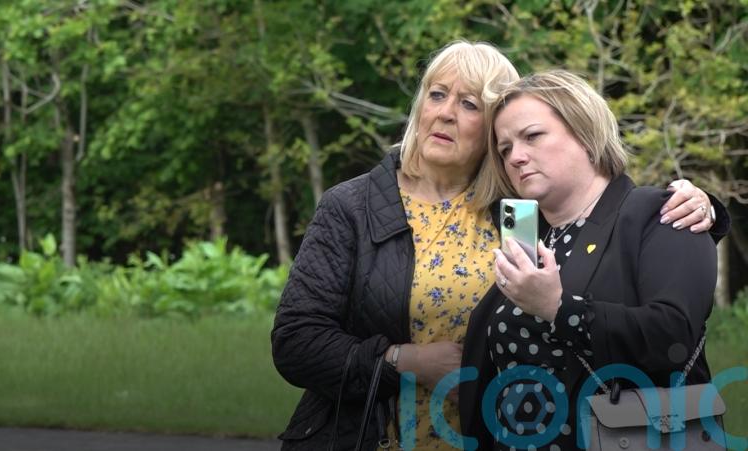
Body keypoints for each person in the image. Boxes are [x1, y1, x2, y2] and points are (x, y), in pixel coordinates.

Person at [272, 41, 722, 451]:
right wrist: (403, 361)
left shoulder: (517, 214)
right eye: (436, 94)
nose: (446, 113)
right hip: (377, 437)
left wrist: (705, 209)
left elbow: (610, 219)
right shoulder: (353, 206)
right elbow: (296, 341)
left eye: (469, 104)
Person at [459, 70, 724, 450]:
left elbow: (672, 336)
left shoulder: (663, 213)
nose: (515, 157)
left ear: (585, 131)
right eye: (504, 149)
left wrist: (558, 308)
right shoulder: (530, 240)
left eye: (532, 136)